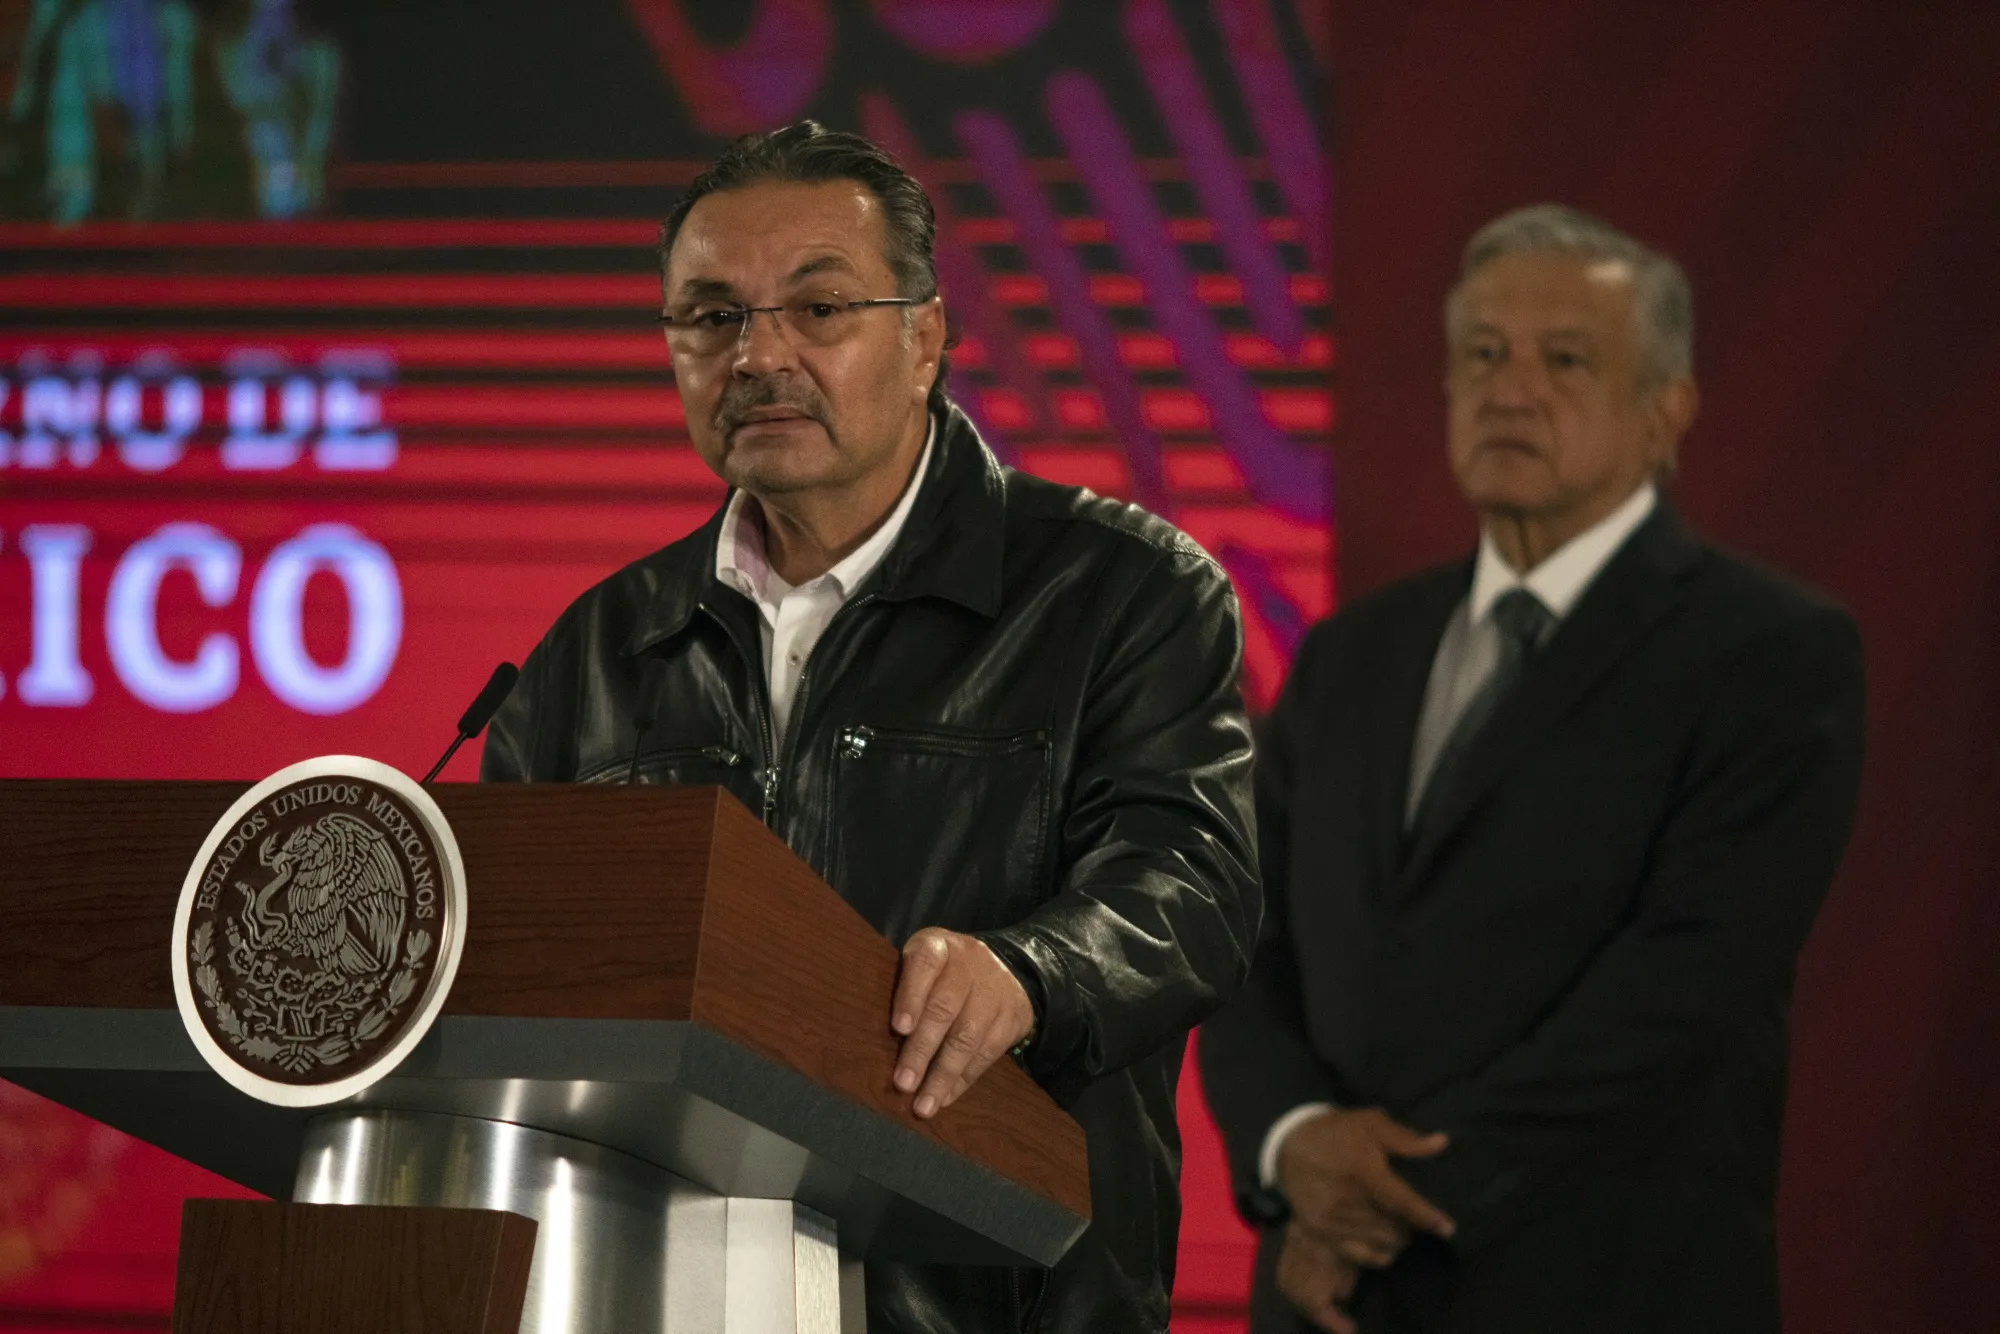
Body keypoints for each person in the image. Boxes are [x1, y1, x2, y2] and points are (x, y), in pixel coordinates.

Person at [481, 121, 1260, 1334]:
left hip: (996, 1298)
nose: (758, 355)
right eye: (712, 316)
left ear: (926, 337)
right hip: (655, 1290)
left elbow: (1192, 880)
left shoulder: (1120, 591)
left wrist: (1030, 971)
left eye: (818, 308)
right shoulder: (590, 652)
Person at [1199, 204, 1865, 1334]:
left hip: (1595, 1285)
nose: (1509, 389)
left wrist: (1370, 1209)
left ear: (1667, 412)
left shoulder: (1768, 653)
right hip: (1323, 1299)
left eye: (1564, 359)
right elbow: (1237, 935)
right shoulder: (1353, 650)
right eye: (1481, 355)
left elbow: (1676, 992)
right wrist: (1290, 1143)